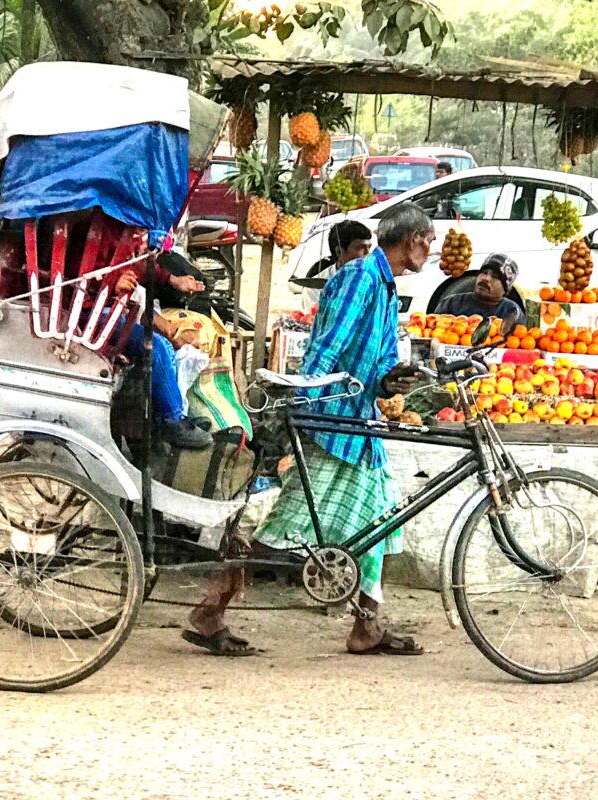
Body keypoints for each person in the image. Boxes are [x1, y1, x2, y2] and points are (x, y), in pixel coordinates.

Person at [182, 203, 435, 656]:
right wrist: (307, 408)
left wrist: (392, 378)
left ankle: (367, 625)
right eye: (429, 240)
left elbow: (372, 364)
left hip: (359, 424)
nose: (431, 249)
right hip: (334, 424)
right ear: (413, 239)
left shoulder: (384, 287)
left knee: (378, 522)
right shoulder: (360, 277)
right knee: (286, 530)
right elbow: (327, 348)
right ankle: (210, 609)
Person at [115, 267, 212, 449]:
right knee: (156, 347)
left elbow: (142, 265)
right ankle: (172, 419)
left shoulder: (126, 245)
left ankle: (173, 415)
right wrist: (110, 285)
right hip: (90, 315)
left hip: (113, 310)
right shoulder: (93, 242)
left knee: (164, 346)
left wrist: (173, 279)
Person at [433, 254, 526, 336]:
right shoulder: (451, 303)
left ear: (505, 289)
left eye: (495, 277)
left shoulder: (512, 311)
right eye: (484, 273)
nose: (486, 278)